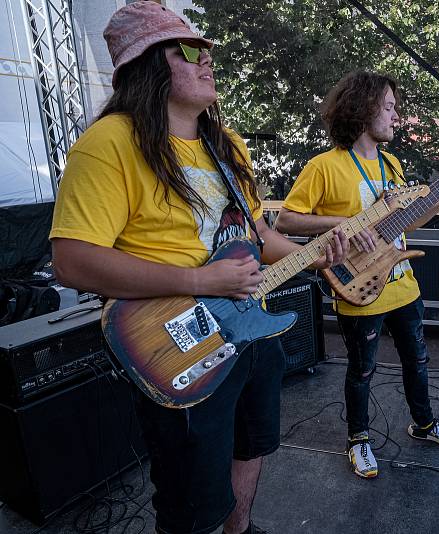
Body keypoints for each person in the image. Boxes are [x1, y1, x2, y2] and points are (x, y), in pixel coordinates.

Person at [48, 3, 348, 533]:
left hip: (250, 330)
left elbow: (260, 237)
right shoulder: (110, 144)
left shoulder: (226, 146)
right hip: (177, 342)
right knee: (189, 497)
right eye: (189, 49)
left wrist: (323, 249)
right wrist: (198, 280)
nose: (207, 59)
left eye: (207, 49)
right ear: (147, 66)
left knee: (252, 445)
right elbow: (72, 260)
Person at [275, 71, 439, 479]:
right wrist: (346, 223)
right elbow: (285, 220)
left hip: (402, 283)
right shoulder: (324, 166)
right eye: (390, 107)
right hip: (358, 286)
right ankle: (358, 440)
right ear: (364, 109)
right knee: (362, 370)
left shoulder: (392, 165)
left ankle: (424, 424)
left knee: (418, 360)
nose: (397, 116)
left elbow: (407, 222)